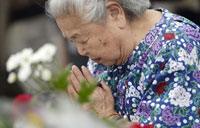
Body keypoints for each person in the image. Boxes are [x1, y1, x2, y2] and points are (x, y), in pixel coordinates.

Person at [46, 0, 200, 127]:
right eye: (73, 42)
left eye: (83, 40)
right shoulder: (106, 52)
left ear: (115, 14)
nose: (80, 51)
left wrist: (106, 116)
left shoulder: (178, 50)